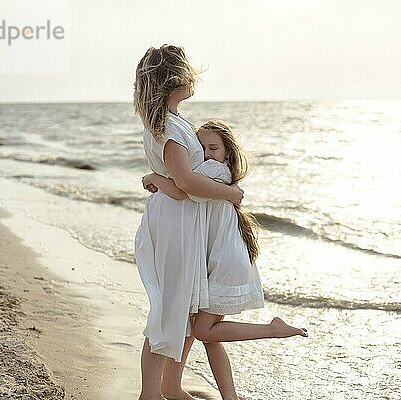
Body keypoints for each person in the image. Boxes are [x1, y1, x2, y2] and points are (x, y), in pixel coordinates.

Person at [143, 119, 307, 400]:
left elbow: (185, 188)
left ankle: (272, 329)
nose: (207, 153)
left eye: (213, 147)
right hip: (220, 263)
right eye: (202, 148)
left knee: (204, 331)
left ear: (227, 154)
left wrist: (156, 179)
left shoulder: (215, 172)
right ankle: (226, 397)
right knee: (208, 335)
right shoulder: (217, 173)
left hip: (224, 266)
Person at [133, 45, 244, 400]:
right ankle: (150, 395)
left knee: (183, 305)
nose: (193, 76)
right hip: (174, 222)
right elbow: (185, 184)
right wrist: (231, 194)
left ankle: (169, 387)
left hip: (182, 221)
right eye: (187, 70)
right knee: (170, 308)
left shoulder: (174, 122)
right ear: (173, 79)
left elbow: (180, 181)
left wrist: (161, 179)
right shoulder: (167, 125)